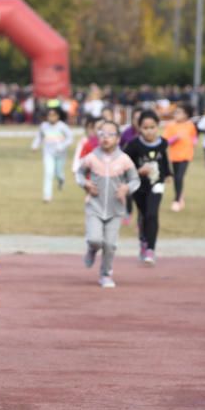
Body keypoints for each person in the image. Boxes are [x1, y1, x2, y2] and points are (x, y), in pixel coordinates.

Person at [77, 120, 140, 287]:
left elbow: (135, 180)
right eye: (102, 134)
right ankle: (91, 250)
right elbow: (79, 174)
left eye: (110, 134)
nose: (106, 138)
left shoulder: (124, 159)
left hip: (115, 209)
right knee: (95, 240)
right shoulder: (91, 158)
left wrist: (126, 188)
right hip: (94, 207)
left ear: (118, 138)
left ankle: (106, 274)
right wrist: (85, 184)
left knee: (110, 245)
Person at [124, 109, 173, 266]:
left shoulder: (163, 143)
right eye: (145, 128)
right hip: (138, 185)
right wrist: (138, 171)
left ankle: (151, 248)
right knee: (144, 214)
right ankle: (143, 240)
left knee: (152, 214)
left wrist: (168, 174)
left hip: (156, 184)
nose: (149, 131)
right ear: (139, 128)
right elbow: (125, 164)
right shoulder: (133, 145)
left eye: (152, 127)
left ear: (157, 127)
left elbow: (164, 160)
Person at [31, 106, 73, 202]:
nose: (51, 117)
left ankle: (61, 181)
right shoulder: (44, 126)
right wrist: (35, 145)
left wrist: (62, 146)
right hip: (48, 153)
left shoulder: (62, 126)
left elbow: (70, 138)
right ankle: (47, 196)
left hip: (60, 154)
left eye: (53, 115)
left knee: (59, 173)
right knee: (48, 173)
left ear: (58, 116)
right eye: (49, 115)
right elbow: (39, 137)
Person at [164, 103, 197, 212]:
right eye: (176, 112)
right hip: (174, 156)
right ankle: (179, 195)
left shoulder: (190, 125)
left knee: (179, 177)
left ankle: (177, 200)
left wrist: (193, 142)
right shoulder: (170, 125)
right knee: (177, 178)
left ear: (186, 115)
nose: (177, 115)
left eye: (180, 112)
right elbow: (165, 141)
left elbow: (194, 137)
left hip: (186, 155)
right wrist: (174, 138)